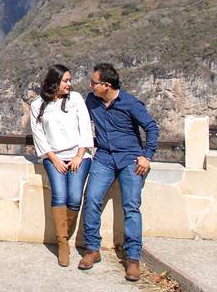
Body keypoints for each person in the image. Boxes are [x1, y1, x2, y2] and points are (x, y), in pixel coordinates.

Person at [78, 62, 159, 282]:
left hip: (129, 158)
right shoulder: (91, 101)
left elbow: (151, 127)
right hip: (104, 157)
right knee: (92, 198)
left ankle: (132, 258)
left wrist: (147, 156)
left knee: (131, 206)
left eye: (94, 83)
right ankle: (92, 249)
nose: (91, 86)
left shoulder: (130, 104)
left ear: (106, 85)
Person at [29, 64, 94, 267]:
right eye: (65, 80)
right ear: (54, 82)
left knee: (74, 197)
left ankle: (63, 231)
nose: (69, 84)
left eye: (69, 80)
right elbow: (38, 135)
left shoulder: (75, 99)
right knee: (59, 194)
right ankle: (62, 242)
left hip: (78, 156)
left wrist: (79, 155)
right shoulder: (38, 105)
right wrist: (54, 159)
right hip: (53, 157)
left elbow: (85, 126)